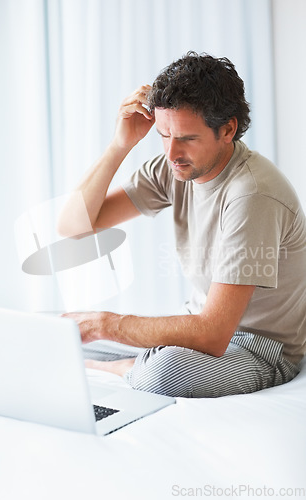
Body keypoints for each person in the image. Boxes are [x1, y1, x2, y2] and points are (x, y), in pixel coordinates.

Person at [58, 51, 306, 398]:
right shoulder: (174, 168)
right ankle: (132, 363)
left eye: (187, 138)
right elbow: (73, 226)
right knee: (60, 332)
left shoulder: (253, 194)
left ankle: (120, 368)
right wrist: (120, 145)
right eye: (163, 134)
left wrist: (106, 324)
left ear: (228, 129)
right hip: (202, 327)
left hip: (259, 348)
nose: (172, 152)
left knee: (166, 371)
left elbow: (213, 334)